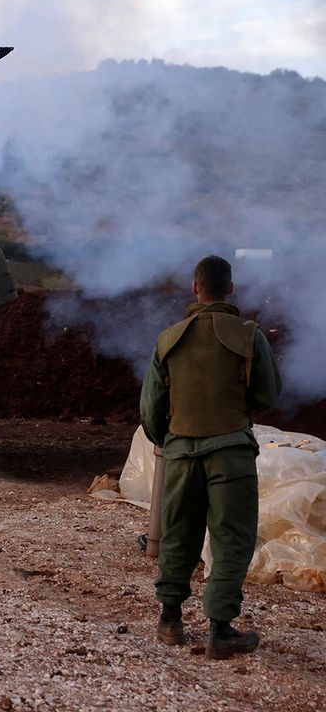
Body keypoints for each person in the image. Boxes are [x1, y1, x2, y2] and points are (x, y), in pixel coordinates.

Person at [140, 254, 281, 659]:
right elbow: (267, 395)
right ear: (231, 289)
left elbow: (150, 408)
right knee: (231, 539)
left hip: (182, 453)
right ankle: (220, 628)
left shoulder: (168, 339)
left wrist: (173, 441)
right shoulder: (249, 335)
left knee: (178, 534)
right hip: (231, 453)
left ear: (194, 288)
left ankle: (170, 619)